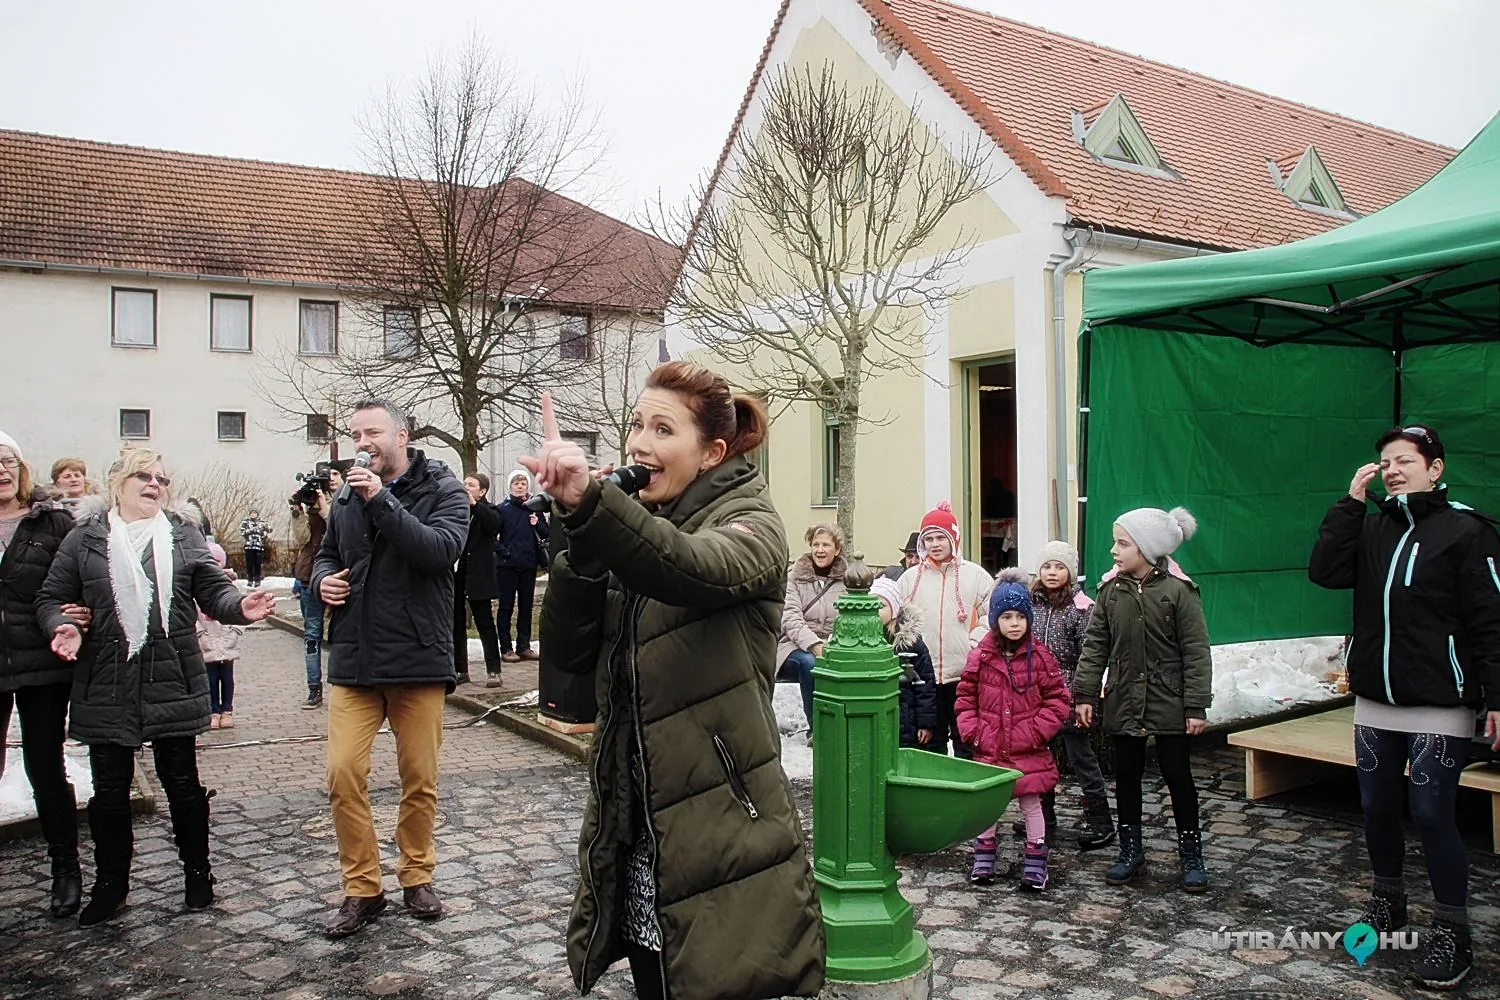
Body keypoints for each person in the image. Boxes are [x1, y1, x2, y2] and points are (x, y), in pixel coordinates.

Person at [532, 362, 824, 999]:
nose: (639, 442)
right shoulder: (631, 520)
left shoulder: (752, 520)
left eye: (663, 429)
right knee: (652, 982)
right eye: (637, 425)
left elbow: (690, 567)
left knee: (717, 978)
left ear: (712, 451)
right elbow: (568, 652)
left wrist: (599, 509)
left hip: (720, 820)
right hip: (640, 821)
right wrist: (581, 535)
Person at [38, 448, 274, 926]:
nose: (154, 484)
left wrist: (238, 605)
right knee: (109, 791)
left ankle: (198, 876)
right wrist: (61, 624)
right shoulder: (87, 537)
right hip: (106, 679)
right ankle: (111, 886)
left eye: (161, 478)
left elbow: (213, 588)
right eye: (143, 476)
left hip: (172, 674)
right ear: (117, 482)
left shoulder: (181, 533)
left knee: (182, 784)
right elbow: (51, 597)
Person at [1309, 424, 1500, 991]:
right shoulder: (1372, 529)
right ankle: (1388, 904)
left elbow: (1491, 623)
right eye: (1386, 462)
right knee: (1376, 807)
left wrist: (1496, 699)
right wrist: (1349, 504)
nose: (1393, 469)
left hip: (1441, 703)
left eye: (1405, 460)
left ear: (1436, 468)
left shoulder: (1468, 532)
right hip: (1375, 699)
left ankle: (1452, 931)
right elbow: (1324, 572)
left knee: (1435, 814)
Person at [312, 399, 468, 938]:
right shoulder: (344, 497)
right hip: (355, 657)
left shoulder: (442, 489)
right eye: (354, 432)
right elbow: (328, 555)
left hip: (418, 657)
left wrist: (381, 501)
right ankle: (362, 888)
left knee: (418, 779)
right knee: (343, 774)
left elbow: (439, 551)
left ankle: (416, 875)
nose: (362, 441)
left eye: (372, 431)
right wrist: (322, 580)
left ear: (402, 435)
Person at [1072, 506, 1211, 894]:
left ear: (1147, 549)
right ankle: (1130, 852)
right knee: (1127, 778)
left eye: (1122, 543)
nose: (1114, 550)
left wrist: (1195, 705)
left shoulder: (1178, 592)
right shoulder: (1110, 592)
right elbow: (1096, 645)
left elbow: (1196, 651)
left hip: (1170, 700)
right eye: (1115, 542)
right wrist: (1086, 694)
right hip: (1123, 699)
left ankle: (1191, 856)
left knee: (1178, 777)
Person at [0, 431, 89, 917]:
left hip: (41, 658)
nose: (1, 470)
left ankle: (65, 868)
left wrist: (75, 614)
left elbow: (71, 580)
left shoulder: (52, 520)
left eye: (8, 460)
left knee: (44, 766)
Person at [957, 569, 1071, 890]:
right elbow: (966, 697)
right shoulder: (981, 657)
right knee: (989, 806)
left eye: (1020, 616)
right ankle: (984, 855)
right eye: (1006, 616)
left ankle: (1036, 859)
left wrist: (1036, 732)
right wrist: (974, 731)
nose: (1014, 623)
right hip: (990, 746)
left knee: (1032, 804)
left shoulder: (1041, 658)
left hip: (1027, 749)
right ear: (995, 620)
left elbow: (1058, 700)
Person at [1031, 540, 1115, 850]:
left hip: (1067, 694)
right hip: (1036, 698)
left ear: (1071, 571)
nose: (1052, 572)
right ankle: (1043, 818)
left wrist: (1082, 696)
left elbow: (1089, 655)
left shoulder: (1082, 609)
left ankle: (1101, 822)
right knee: (1040, 759)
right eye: (1047, 566)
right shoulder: (1033, 603)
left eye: (1059, 567)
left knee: (1082, 760)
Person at [898, 502, 994, 758]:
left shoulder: (974, 576)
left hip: (963, 674)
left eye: (941, 537)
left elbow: (992, 615)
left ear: (954, 538)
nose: (935, 544)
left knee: (966, 740)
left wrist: (974, 644)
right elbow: (896, 618)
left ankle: (965, 789)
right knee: (929, 740)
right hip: (924, 678)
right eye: (928, 538)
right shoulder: (909, 579)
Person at [776, 523, 847, 737]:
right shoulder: (794, 577)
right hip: (793, 646)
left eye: (826, 544)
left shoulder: (847, 580)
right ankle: (818, 729)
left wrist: (832, 643)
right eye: (815, 544)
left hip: (834, 644)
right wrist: (814, 644)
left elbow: (848, 616)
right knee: (810, 663)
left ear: (837, 549)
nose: (820, 550)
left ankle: (845, 723)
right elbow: (790, 617)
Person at [869, 577, 937, 751]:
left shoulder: (911, 644)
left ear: (894, 610)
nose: (875, 610)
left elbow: (925, 685)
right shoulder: (863, 642)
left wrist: (925, 723)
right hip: (872, 720)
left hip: (906, 721)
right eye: (871, 605)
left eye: (881, 606)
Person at [493, 470, 547, 663]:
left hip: (528, 565)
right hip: (507, 566)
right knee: (506, 608)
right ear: (510, 486)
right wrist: (505, 552)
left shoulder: (535, 508)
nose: (520, 486)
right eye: (516, 483)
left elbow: (546, 533)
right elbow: (492, 537)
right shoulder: (502, 509)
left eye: (523, 483)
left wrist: (537, 523)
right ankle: (505, 648)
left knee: (526, 607)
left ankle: (523, 646)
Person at [455, 473, 504, 686]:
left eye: (471, 485)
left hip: (479, 576)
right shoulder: (455, 510)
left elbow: (494, 525)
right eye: (464, 483)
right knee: (455, 624)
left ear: (482, 491)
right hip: (458, 575)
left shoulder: (489, 510)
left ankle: (494, 670)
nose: (465, 487)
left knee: (485, 624)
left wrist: (474, 505)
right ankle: (460, 670)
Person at [290, 478, 332, 709]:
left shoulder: (342, 504)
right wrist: (297, 511)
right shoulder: (307, 512)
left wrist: (324, 506)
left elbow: (340, 530)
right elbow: (303, 539)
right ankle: (314, 688)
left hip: (337, 576)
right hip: (309, 577)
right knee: (312, 634)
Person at [200, 538, 243, 729]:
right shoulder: (199, 585)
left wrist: (234, 630)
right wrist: (199, 634)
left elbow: (241, 608)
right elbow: (192, 612)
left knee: (226, 677)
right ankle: (213, 710)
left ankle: (227, 709)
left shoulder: (231, 584)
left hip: (227, 639)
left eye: (218, 561)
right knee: (210, 678)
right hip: (207, 639)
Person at [239, 508, 269, 588]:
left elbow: (269, 529)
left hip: (258, 546)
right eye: (252, 513)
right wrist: (251, 530)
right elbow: (242, 532)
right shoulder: (245, 522)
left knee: (258, 564)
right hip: (249, 546)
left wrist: (264, 533)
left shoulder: (261, 523)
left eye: (255, 513)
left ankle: (257, 580)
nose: (253, 514)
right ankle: (250, 579)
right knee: (249, 564)